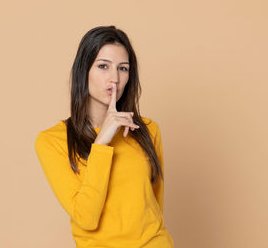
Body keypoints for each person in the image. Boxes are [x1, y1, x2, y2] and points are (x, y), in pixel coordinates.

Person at [34, 25, 175, 247]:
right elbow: (86, 218)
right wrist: (101, 144)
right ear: (84, 71)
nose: (114, 78)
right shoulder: (53, 141)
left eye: (123, 68)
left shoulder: (147, 130)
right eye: (103, 66)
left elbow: (155, 208)